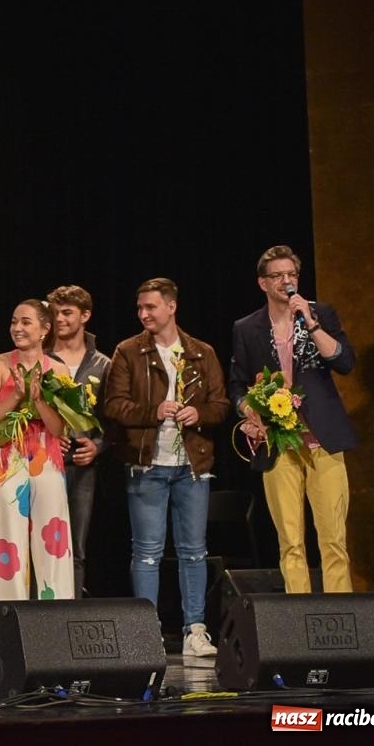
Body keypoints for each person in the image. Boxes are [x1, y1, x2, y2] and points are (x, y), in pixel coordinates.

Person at [103, 277, 229, 658]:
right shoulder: (128, 351)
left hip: (191, 465)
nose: (144, 314)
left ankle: (195, 630)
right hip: (148, 464)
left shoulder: (201, 352)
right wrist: (152, 412)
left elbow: (222, 405)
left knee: (193, 551)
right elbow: (113, 405)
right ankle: (147, 631)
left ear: (171, 307)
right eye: (140, 308)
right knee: (146, 552)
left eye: (151, 307)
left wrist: (199, 413)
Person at [229, 245, 356, 594]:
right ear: (262, 283)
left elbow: (344, 363)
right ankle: (299, 620)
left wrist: (311, 323)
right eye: (278, 276)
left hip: (323, 439)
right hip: (278, 441)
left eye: (292, 275)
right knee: (291, 540)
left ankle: (341, 616)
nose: (287, 281)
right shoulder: (246, 327)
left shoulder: (320, 314)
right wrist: (249, 412)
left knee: (333, 538)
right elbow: (236, 387)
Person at [0, 300, 73, 608]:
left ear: (45, 329)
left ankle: (56, 617)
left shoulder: (58, 369)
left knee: (54, 541)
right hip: (6, 456)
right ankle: (3, 618)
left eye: (25, 322)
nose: (17, 328)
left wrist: (40, 400)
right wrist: (18, 396)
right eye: (13, 321)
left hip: (46, 455)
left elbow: (60, 428)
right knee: (4, 539)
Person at [44, 284, 110, 598]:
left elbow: (113, 420)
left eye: (67, 312)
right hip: (43, 463)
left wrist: (98, 446)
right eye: (54, 313)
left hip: (83, 469)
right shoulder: (39, 358)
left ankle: (71, 615)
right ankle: (39, 619)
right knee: (44, 542)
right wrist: (47, 441)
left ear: (85, 315)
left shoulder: (103, 364)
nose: (59, 319)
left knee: (76, 546)